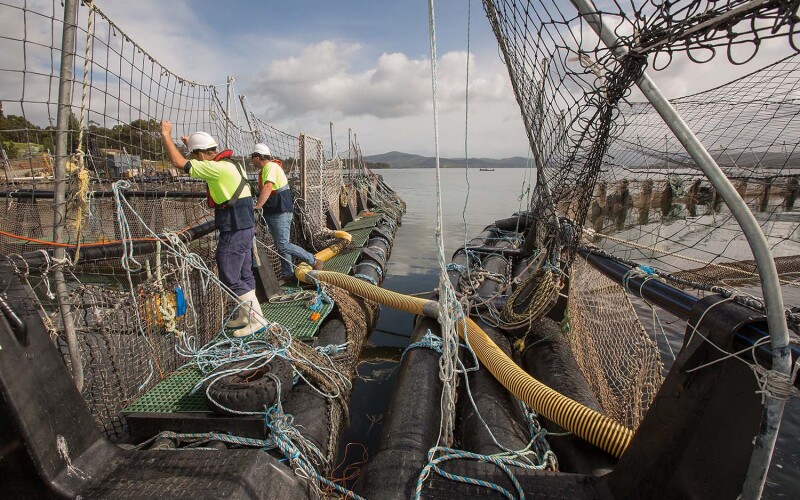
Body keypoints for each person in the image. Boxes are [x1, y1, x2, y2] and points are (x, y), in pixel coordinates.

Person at [160, 120, 265, 337]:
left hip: (235, 229)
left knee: (228, 272)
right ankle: (248, 315)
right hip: (245, 226)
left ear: (200, 154)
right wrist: (191, 144)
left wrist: (165, 134)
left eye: (195, 155)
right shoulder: (231, 164)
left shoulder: (215, 169)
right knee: (244, 273)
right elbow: (197, 157)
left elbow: (179, 162)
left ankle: (256, 320)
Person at [251, 143, 322, 280]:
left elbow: (268, 186)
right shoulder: (268, 168)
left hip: (280, 212)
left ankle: (314, 261)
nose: (251, 160)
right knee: (281, 244)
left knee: (283, 245)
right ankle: (287, 273)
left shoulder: (270, 167)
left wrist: (258, 206)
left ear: (258, 157)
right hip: (274, 211)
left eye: (252, 157)